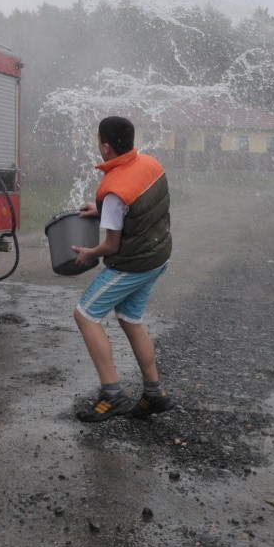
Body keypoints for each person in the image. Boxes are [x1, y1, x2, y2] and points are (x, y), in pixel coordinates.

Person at [70, 115, 174, 422]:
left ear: (105, 147)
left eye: (98, 141)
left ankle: (112, 394)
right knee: (130, 319)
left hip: (133, 264)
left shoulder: (114, 189)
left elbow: (111, 247)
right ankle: (154, 394)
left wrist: (90, 252)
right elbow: (137, 206)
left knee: (85, 315)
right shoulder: (150, 164)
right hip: (158, 256)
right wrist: (102, 210)